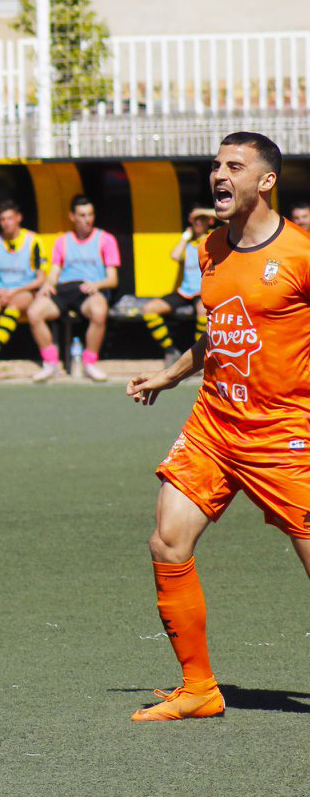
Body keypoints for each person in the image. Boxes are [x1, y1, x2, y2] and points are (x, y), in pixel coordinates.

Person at [124, 132, 310, 722]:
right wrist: (171, 375)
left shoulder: (302, 255)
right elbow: (218, 333)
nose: (219, 176)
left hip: (282, 436)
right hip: (213, 427)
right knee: (168, 540)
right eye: (215, 165)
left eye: (235, 166)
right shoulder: (210, 248)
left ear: (267, 180)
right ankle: (200, 688)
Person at [26, 195, 120, 383]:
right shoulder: (62, 241)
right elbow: (54, 272)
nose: (87, 219)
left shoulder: (106, 240)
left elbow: (113, 280)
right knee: (34, 312)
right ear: (73, 217)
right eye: (83, 215)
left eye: (90, 214)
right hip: (65, 289)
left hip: (90, 289)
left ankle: (89, 363)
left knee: (99, 311)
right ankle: (50, 363)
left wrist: (97, 285)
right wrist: (48, 285)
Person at [0, 200, 44, 383]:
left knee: (14, 305)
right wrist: (0, 290)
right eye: (2, 219)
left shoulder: (34, 240)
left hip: (25, 290)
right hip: (2, 291)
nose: (6, 222)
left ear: (18, 218)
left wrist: (15, 291)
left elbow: (41, 278)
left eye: (10, 218)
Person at [140, 208, 215, 362]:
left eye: (202, 218)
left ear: (209, 220)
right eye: (196, 219)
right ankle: (171, 350)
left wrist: (205, 212)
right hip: (185, 291)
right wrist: (185, 236)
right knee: (149, 309)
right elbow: (174, 255)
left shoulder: (214, 237)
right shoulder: (188, 243)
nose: (199, 222)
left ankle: (198, 356)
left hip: (205, 290)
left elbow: (230, 220)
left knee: (203, 310)